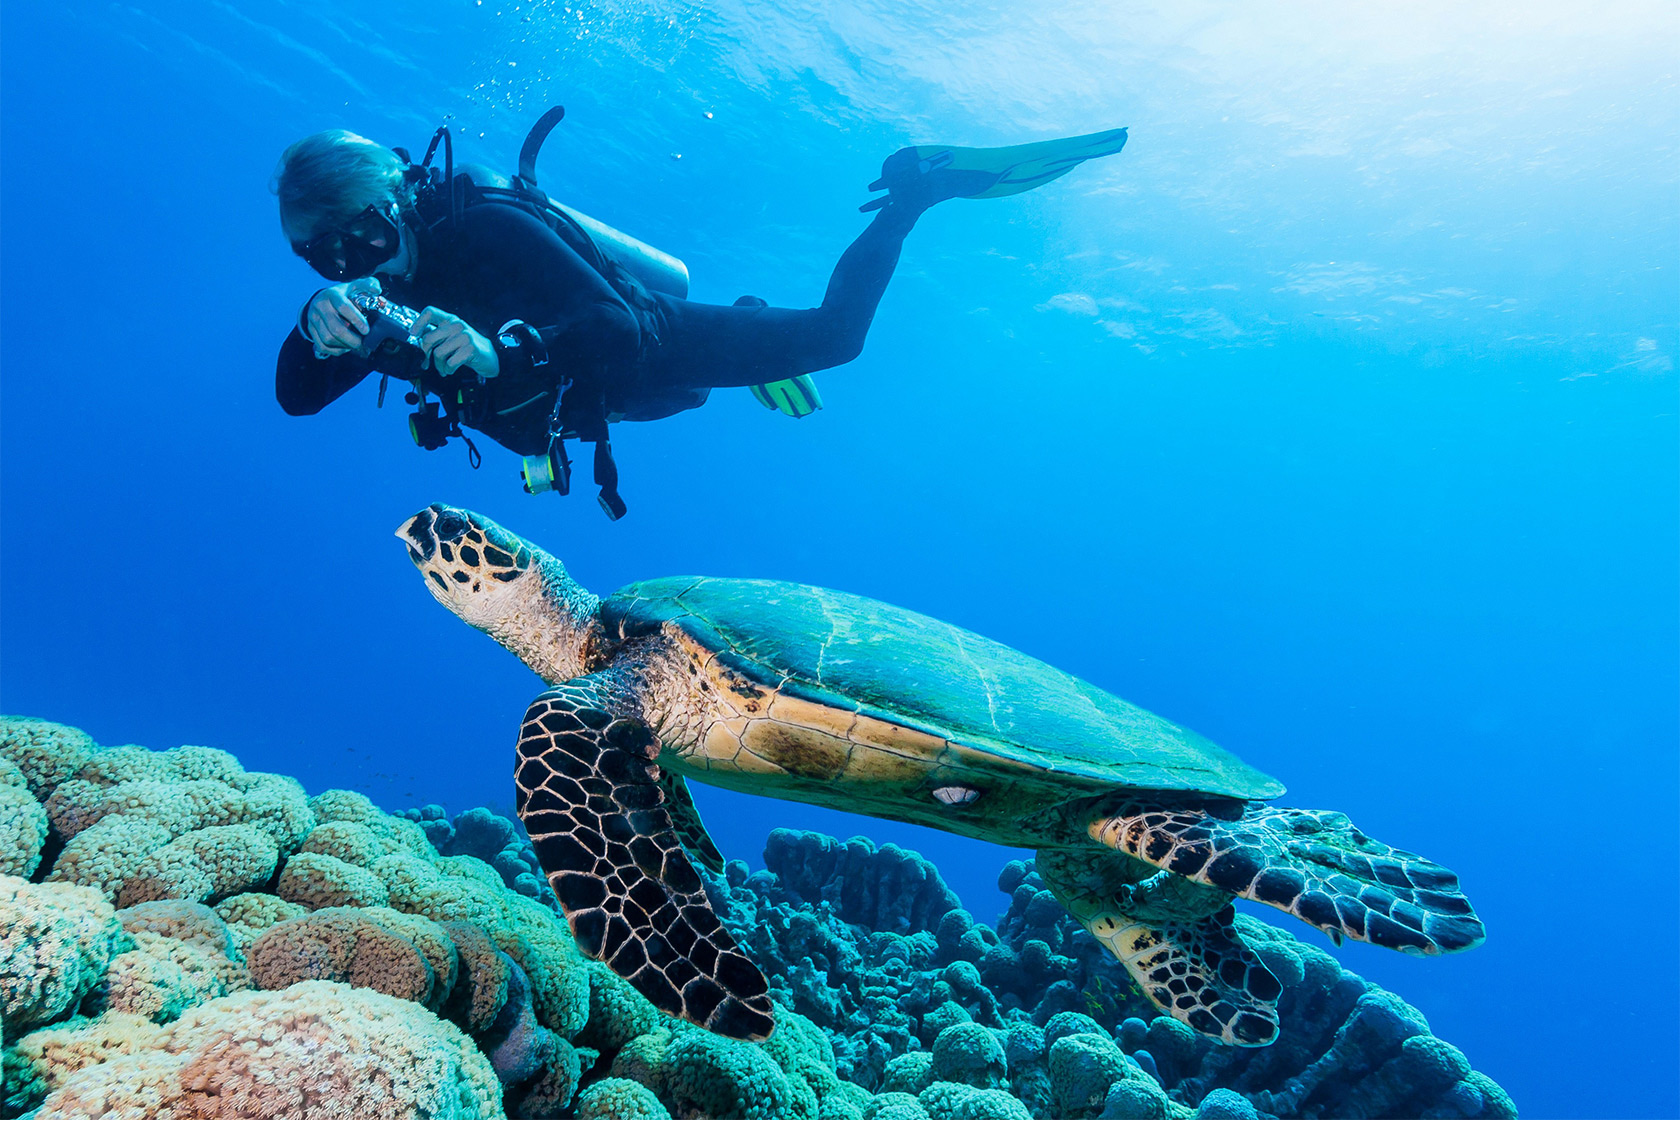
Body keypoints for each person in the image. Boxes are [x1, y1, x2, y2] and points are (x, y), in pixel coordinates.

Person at [273, 116, 1126, 515]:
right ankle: (745, 331)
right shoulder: (366, 308)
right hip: (587, 408)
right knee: (678, 405)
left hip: (645, 341)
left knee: (833, 340)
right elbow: (296, 400)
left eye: (371, 235)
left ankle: (918, 189)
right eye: (330, 260)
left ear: (400, 195)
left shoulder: (484, 225)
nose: (366, 267)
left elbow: (611, 326)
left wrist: (502, 356)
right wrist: (313, 324)